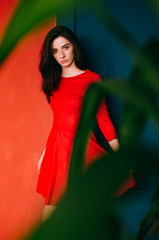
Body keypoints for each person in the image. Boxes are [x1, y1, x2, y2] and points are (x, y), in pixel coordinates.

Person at [36, 26, 135, 220]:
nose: (62, 55)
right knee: (50, 217)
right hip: (56, 152)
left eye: (65, 47)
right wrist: (44, 154)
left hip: (79, 152)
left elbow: (103, 120)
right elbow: (59, 122)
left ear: (74, 47)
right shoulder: (53, 82)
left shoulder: (92, 79)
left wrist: (119, 154)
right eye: (55, 51)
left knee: (79, 215)